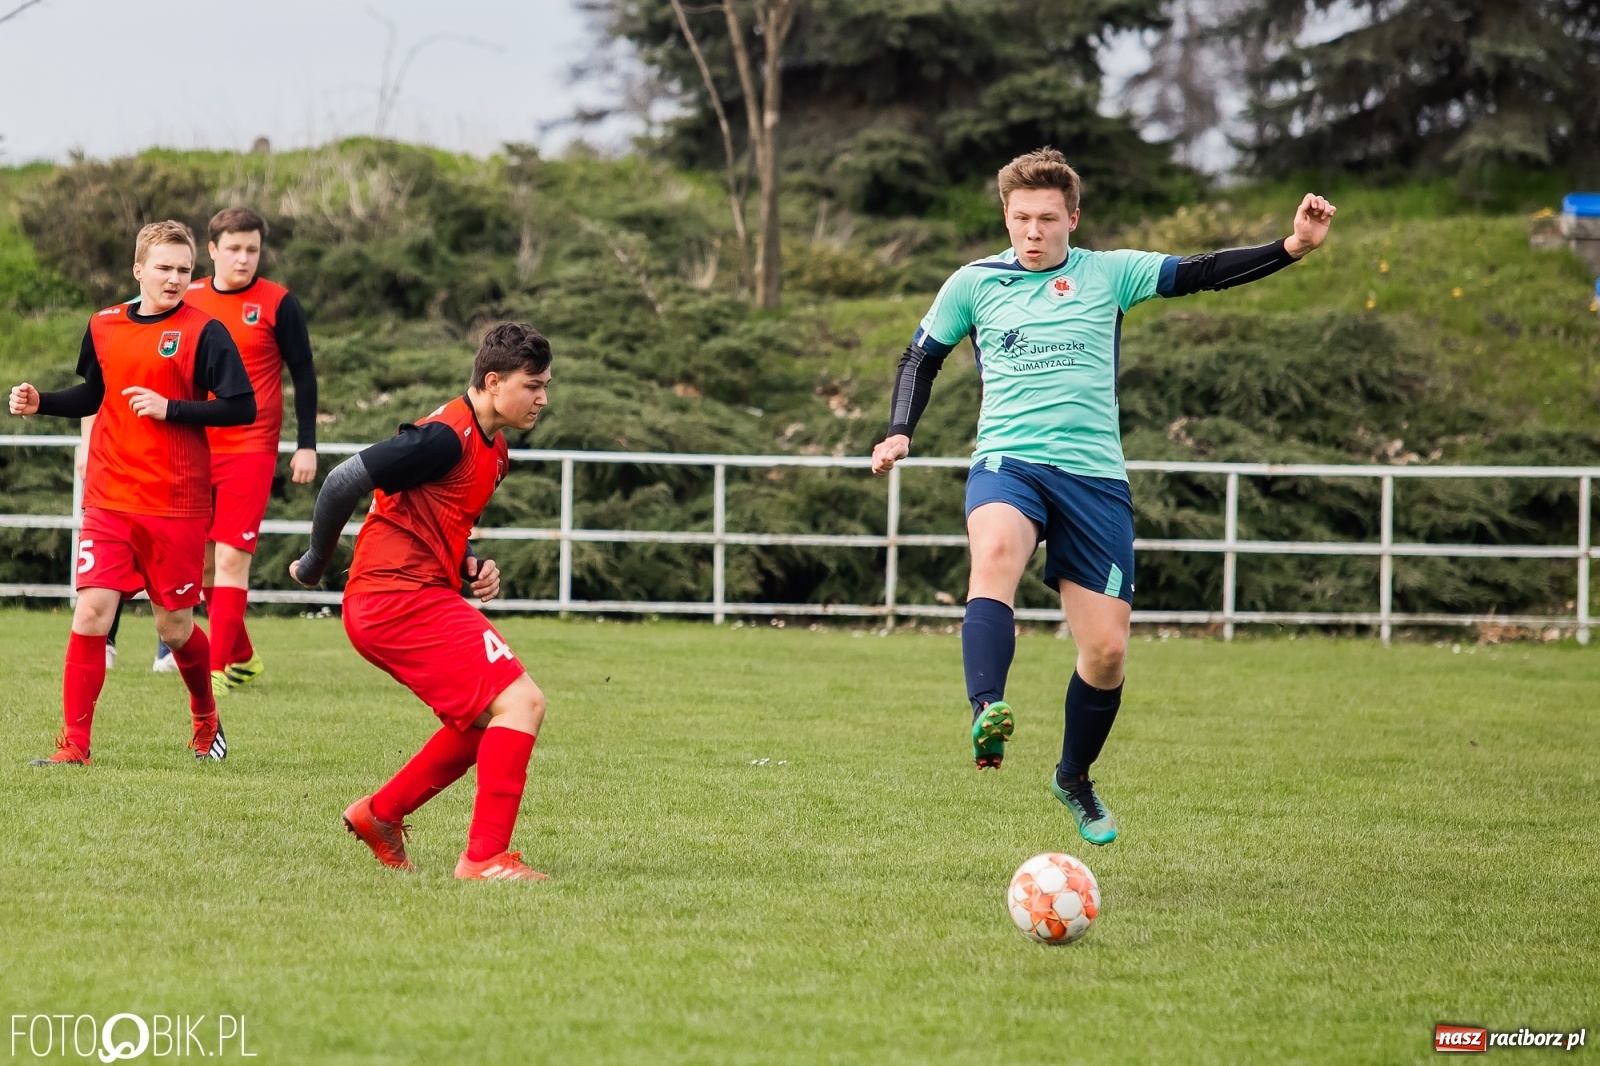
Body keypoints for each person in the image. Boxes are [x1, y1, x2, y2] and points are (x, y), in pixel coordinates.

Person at [870, 147, 1335, 845]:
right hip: (1009, 464)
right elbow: (920, 357)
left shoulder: (1108, 274)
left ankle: (1073, 777)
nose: (1033, 231)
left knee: (1108, 654)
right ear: (1006, 216)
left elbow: (1201, 272)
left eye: (1047, 219)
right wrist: (899, 431)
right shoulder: (972, 283)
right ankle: (987, 710)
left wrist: (1293, 246)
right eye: (1021, 218)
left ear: (1072, 219)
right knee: (994, 552)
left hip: (1094, 479)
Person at [289, 323, 552, 881]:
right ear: (493, 380)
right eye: (533, 385)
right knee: (522, 703)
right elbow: (340, 482)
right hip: (392, 599)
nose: (542, 398)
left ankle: (379, 815)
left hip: (415, 596)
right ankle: (484, 859)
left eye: (546, 385)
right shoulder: (442, 438)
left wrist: (470, 564)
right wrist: (314, 563)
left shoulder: (494, 448)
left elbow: (442, 518)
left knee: (489, 723)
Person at [8, 220, 256, 765]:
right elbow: (93, 394)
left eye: (184, 270)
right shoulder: (103, 325)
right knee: (91, 612)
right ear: (137, 269)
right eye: (163, 268)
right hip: (109, 497)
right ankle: (74, 747)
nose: (173, 279)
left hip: (176, 504)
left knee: (175, 624)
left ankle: (205, 717)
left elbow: (243, 406)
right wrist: (41, 402)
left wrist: (174, 409)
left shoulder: (205, 332)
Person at [182, 206, 320, 696]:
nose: (243, 259)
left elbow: (303, 375)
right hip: (193, 445)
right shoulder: (188, 296)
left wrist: (306, 446)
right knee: (195, 564)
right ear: (213, 250)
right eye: (234, 249)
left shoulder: (279, 303)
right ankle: (241, 654)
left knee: (232, 558)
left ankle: (217, 670)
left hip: (251, 447)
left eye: (252, 250)